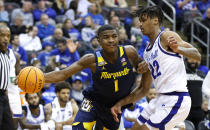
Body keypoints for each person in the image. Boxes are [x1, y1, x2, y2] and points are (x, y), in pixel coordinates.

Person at [111, 6, 201, 130]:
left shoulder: (166, 37)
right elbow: (144, 89)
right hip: (159, 99)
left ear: (155, 21)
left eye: (143, 20)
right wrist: (119, 104)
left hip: (176, 99)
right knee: (135, 128)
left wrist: (178, 49)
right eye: (140, 21)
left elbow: (197, 55)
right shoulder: (147, 53)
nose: (140, 24)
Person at [44, 24, 147, 129]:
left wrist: (146, 61)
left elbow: (142, 67)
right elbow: (63, 74)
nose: (111, 40)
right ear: (99, 41)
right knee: (80, 127)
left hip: (114, 105)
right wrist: (41, 77)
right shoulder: (91, 59)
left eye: (114, 36)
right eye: (106, 37)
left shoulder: (129, 52)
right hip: (93, 101)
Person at [0, 25, 15, 129]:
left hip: (3, 96)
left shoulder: (6, 54)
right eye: (2, 35)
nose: (6, 38)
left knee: (9, 127)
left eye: (8, 36)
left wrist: (8, 105)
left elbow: (5, 82)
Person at [7, 48, 22, 130]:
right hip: (2, 92)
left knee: (15, 124)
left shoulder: (15, 55)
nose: (5, 39)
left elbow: (18, 74)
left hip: (13, 92)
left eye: (7, 36)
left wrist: (18, 77)